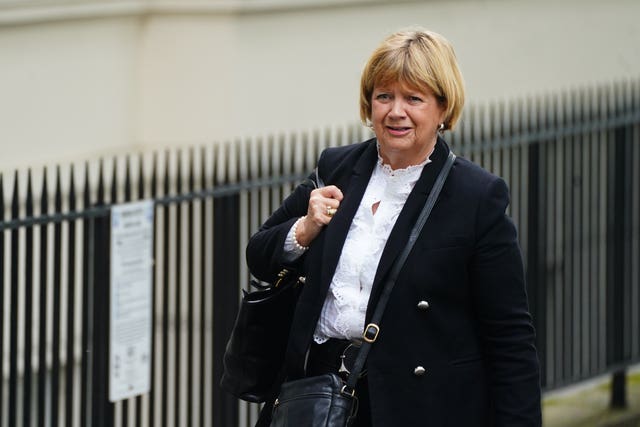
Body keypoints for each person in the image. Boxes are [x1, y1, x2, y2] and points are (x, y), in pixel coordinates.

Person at [246, 28, 541, 426]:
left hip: (416, 405)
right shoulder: (337, 168)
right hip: (317, 396)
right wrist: (305, 227)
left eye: (413, 98)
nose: (395, 111)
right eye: (384, 96)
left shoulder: (476, 197)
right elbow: (259, 257)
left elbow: (510, 339)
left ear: (442, 107)